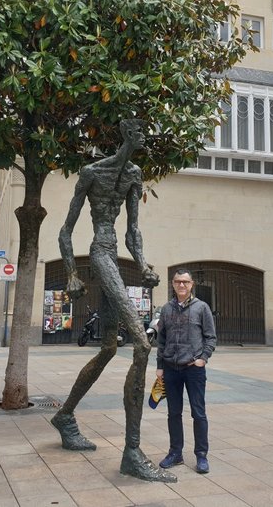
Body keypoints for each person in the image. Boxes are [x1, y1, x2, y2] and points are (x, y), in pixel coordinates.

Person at [51, 119, 174, 483]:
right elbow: (65, 230)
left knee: (107, 349)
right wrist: (72, 272)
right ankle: (132, 453)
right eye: (137, 134)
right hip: (99, 254)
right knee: (141, 343)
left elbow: (133, 230)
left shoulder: (134, 174)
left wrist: (142, 264)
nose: (143, 139)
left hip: (115, 253)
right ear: (125, 136)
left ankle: (65, 415)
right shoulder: (91, 172)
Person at [156, 268, 217, 474]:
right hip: (171, 369)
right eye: (177, 282)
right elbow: (161, 339)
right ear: (172, 284)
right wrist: (159, 366)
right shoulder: (166, 309)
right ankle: (175, 453)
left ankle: (201, 455)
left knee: (198, 413)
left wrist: (203, 358)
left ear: (191, 285)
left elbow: (211, 336)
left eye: (185, 282)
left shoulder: (202, 308)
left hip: (193, 370)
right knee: (174, 413)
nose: (181, 285)